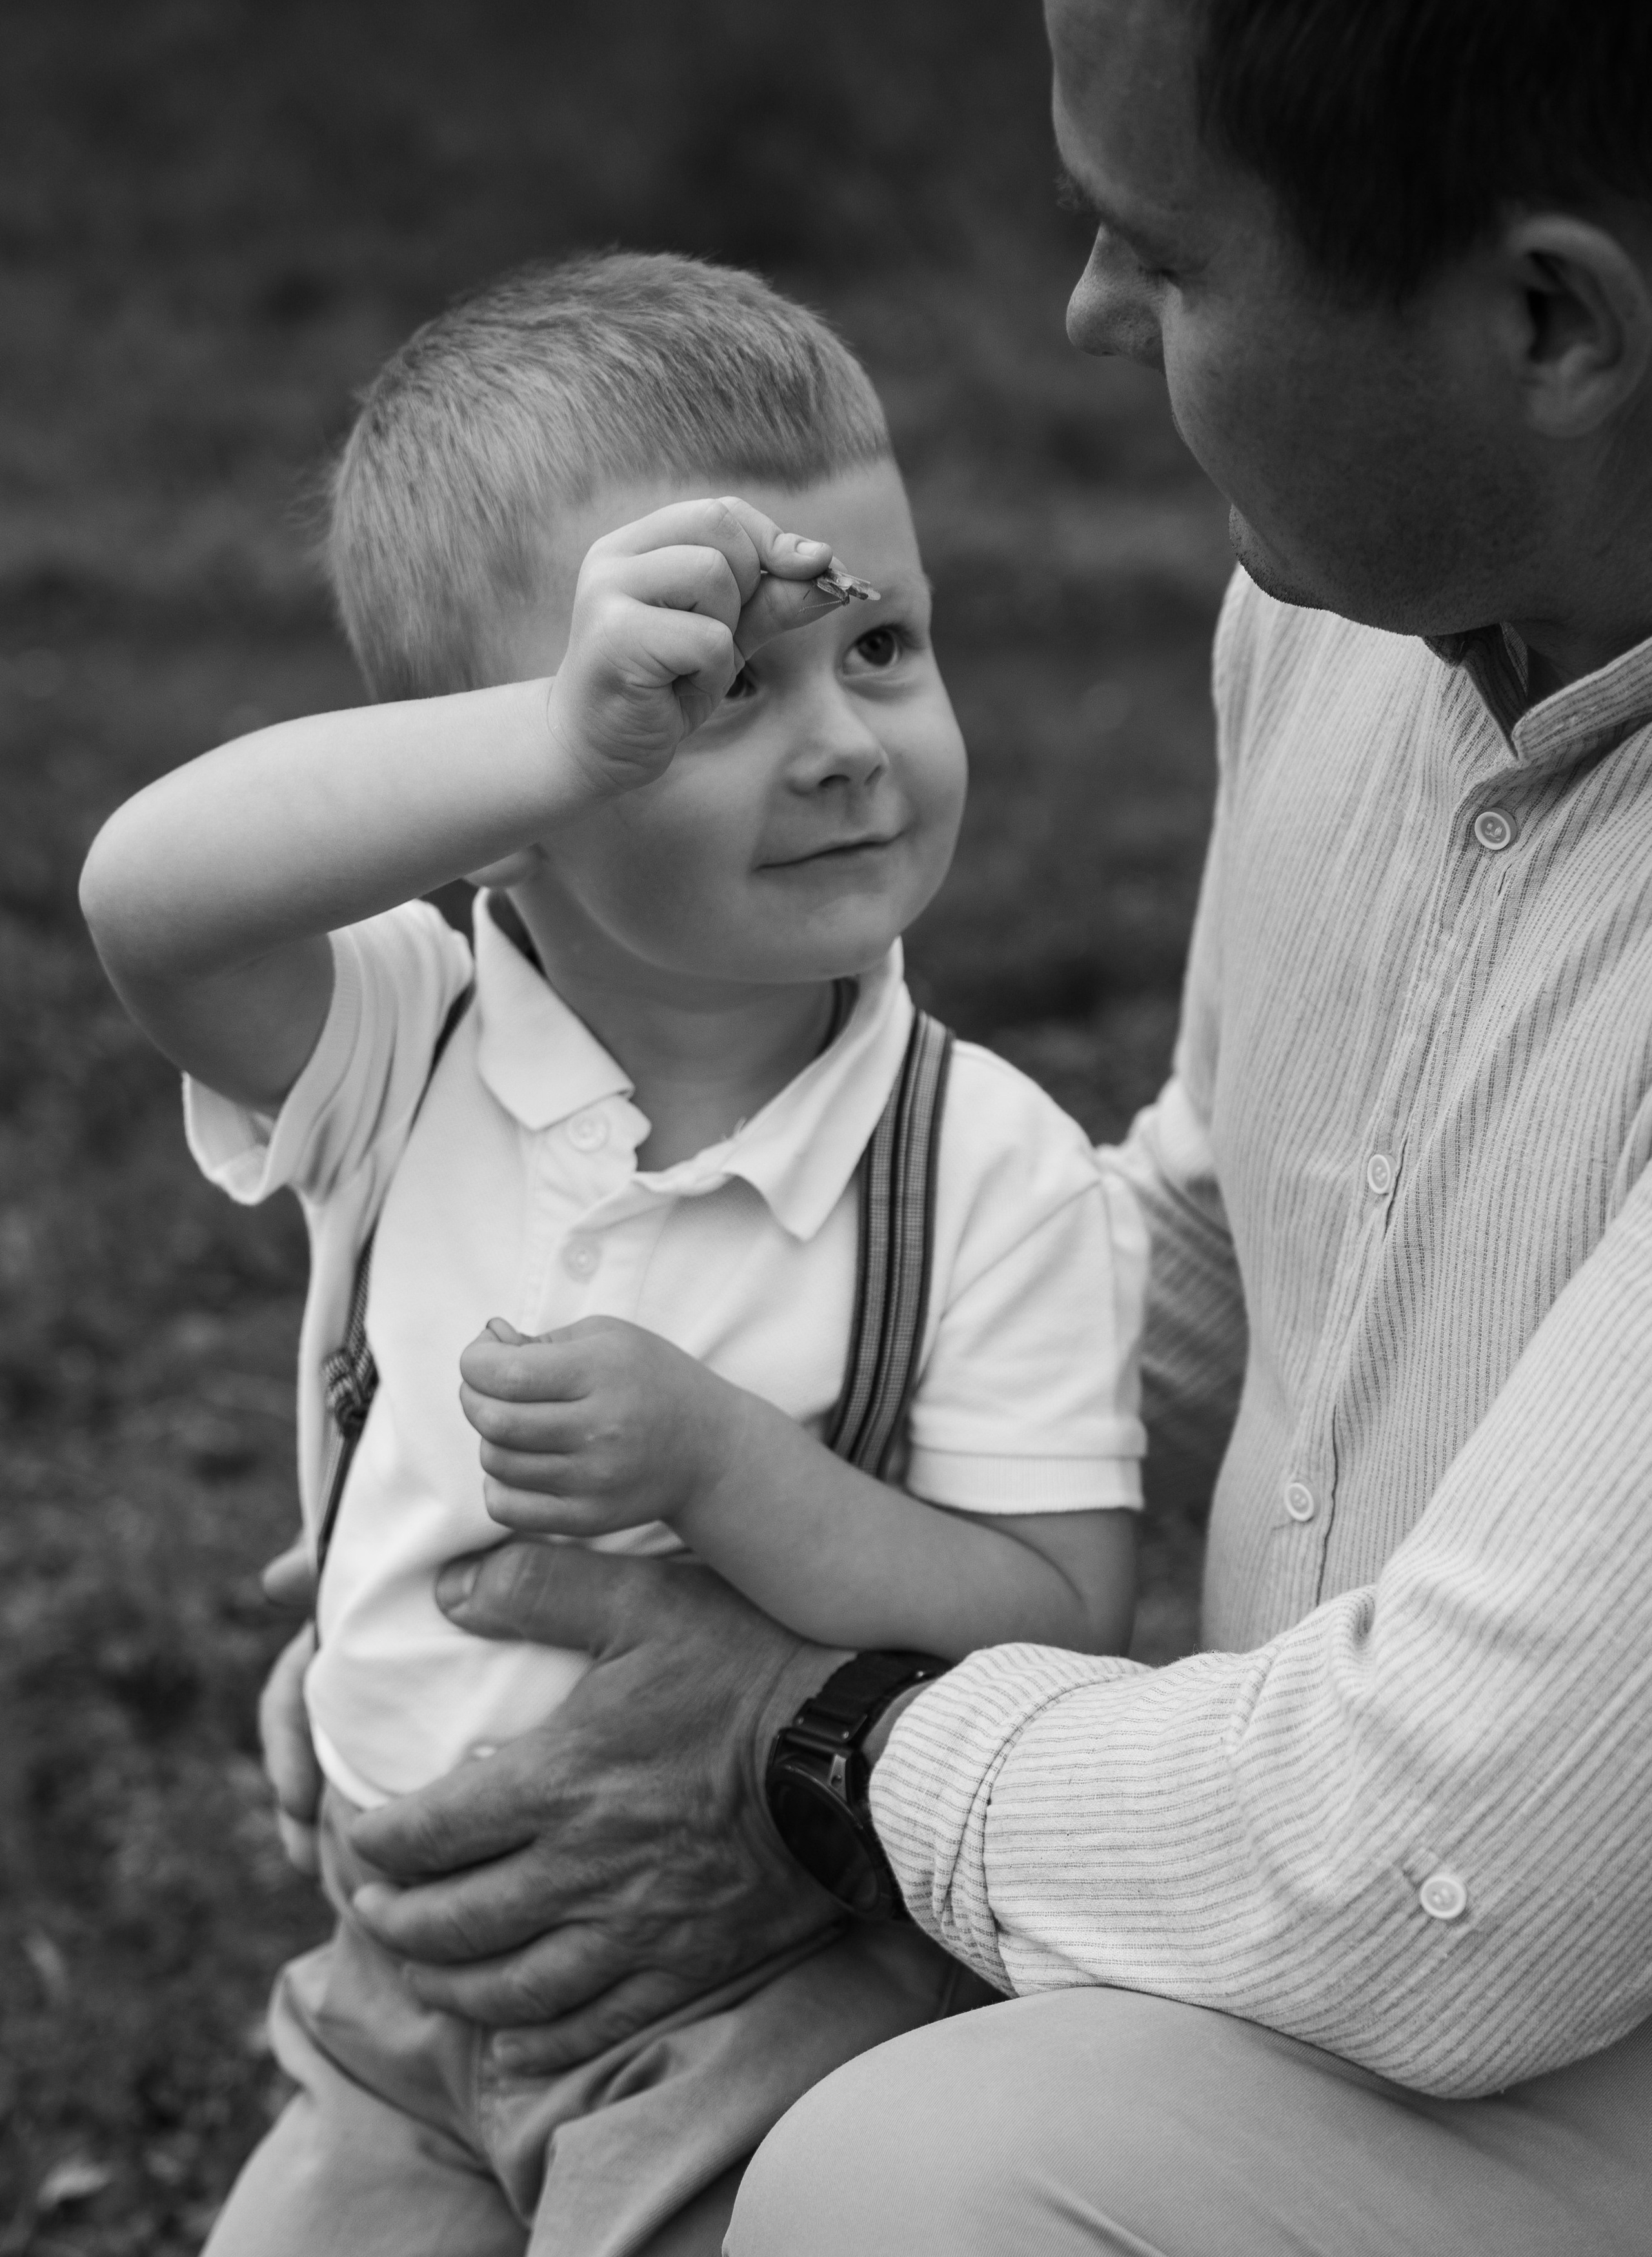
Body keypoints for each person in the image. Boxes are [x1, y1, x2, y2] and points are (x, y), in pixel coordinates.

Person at [247, 0, 1652, 2251]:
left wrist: (800, 1736)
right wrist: (455, 1592)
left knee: (914, 2184)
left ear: (1549, 319)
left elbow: (1458, 1863)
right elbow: (1231, 1219)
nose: (1088, 317)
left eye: (1163, 246)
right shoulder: (1340, 612)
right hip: (1306, 1870)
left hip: (1554, 1991)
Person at [78, 251, 1151, 2256]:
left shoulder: (982, 1158)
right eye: (722, 691)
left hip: (768, 1996)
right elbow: (146, 900)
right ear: (505, 786)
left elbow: (1057, 1608)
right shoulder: (403, 1045)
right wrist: (562, 746)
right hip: (403, 1994)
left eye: (887, 646)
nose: (844, 741)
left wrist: (721, 1467)